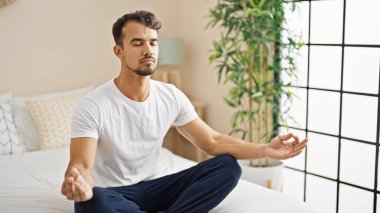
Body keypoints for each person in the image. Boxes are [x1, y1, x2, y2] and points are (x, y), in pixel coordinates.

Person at [61, 10, 308, 213]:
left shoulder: (170, 95)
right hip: (114, 192)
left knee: (228, 167)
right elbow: (82, 165)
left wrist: (266, 150)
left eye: (153, 42)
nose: (148, 49)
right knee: (90, 203)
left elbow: (212, 141)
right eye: (137, 43)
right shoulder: (93, 105)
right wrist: (80, 183)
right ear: (119, 51)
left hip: (158, 186)